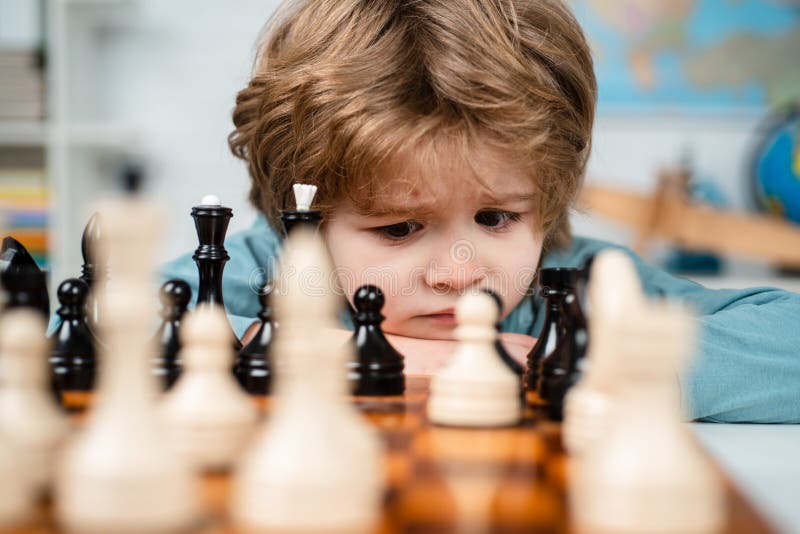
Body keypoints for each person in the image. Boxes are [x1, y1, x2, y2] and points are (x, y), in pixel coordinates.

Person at [160, 0, 800, 423]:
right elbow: (111, 314)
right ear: (306, 219)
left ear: (547, 203)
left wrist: (568, 364)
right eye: (399, 227)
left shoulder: (576, 285)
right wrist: (377, 356)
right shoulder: (268, 268)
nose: (457, 273)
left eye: (496, 219)